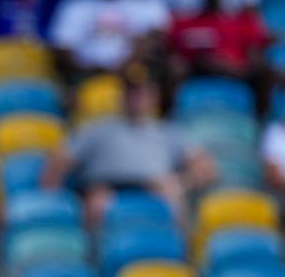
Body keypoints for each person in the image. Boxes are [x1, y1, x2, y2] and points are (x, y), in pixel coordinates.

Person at [40, 61, 215, 227]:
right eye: (131, 93)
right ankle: (93, 247)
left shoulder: (168, 131)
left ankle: (181, 246)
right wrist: (53, 200)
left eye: (142, 93)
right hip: (107, 187)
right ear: (122, 96)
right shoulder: (97, 129)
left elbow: (204, 167)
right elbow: (61, 160)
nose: (136, 99)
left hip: (156, 187)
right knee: (97, 203)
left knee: (173, 198)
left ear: (154, 96)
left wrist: (180, 183)